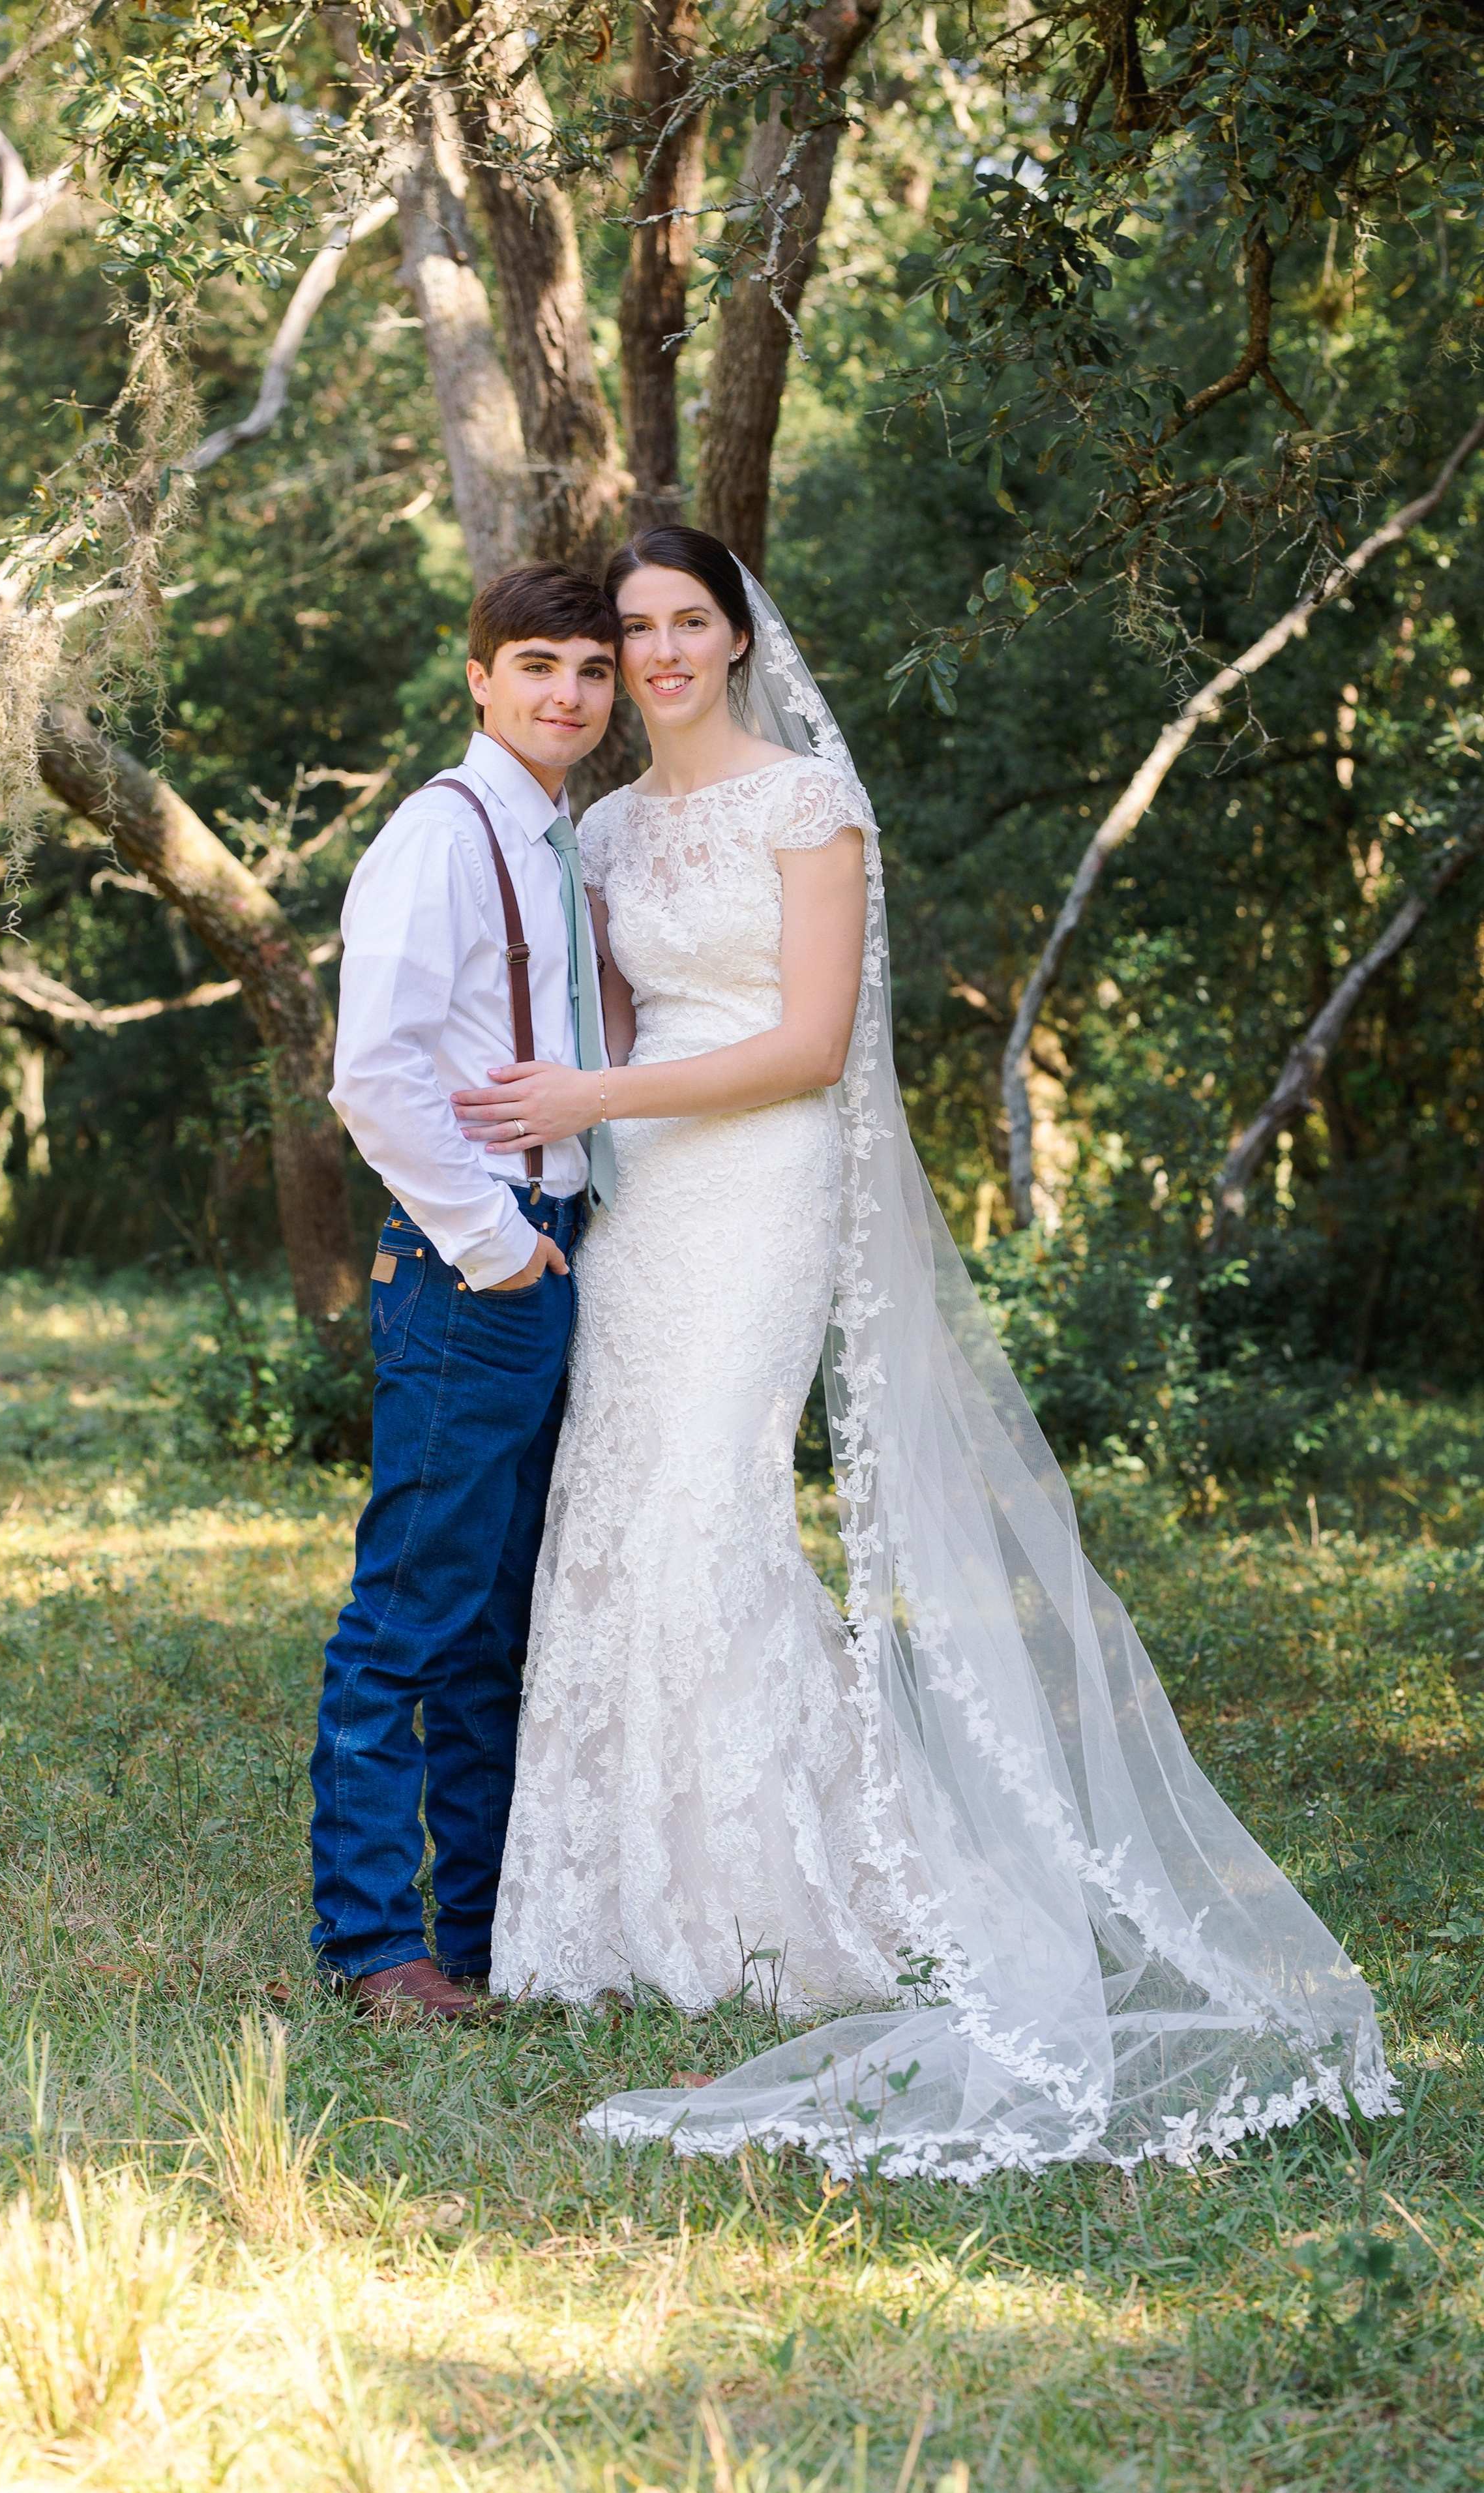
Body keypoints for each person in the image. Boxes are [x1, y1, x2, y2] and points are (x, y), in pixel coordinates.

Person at [451, 524, 1397, 2181]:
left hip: (755, 1184)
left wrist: (591, 1102)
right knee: (608, 1506)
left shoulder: (810, 810)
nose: (659, 654)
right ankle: (612, 1901)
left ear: (738, 641)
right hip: (637, 1200)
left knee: (708, 1502)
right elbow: (580, 1019)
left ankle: (794, 1894)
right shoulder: (598, 827)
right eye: (632, 631)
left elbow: (809, 1044)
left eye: (686, 624)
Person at [311, 560, 619, 2022]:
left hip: (546, 1258)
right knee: (410, 1622)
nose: (566, 693)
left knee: (503, 1624)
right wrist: (492, 1241)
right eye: (538, 665)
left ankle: (493, 1931)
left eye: (591, 670)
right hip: (466, 1270)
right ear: (480, 677)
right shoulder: (439, 839)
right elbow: (372, 1076)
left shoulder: (554, 840)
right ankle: (376, 1947)